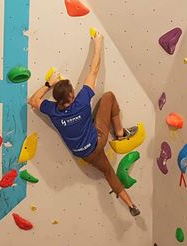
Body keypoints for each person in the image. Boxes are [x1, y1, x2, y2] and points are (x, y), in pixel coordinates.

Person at [28, 33, 140, 216]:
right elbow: (94, 70)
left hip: (84, 154)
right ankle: (120, 133)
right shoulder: (81, 101)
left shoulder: (53, 111)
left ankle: (131, 205)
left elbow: (34, 100)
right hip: (97, 141)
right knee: (108, 97)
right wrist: (97, 44)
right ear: (72, 95)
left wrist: (49, 84)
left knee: (108, 172)